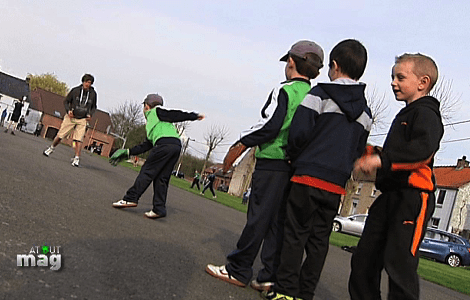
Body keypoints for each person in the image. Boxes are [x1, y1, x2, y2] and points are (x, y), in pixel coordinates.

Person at [205, 40, 324, 292]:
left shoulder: (286, 90)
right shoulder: (315, 96)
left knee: (258, 217)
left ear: (291, 61)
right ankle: (268, 275)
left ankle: (238, 269)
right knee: (277, 223)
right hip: (295, 167)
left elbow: (270, 125)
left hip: (272, 163)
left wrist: (241, 143)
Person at [263, 39, 371, 300]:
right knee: (318, 241)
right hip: (335, 185)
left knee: (294, 235)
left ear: (334, 66)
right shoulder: (366, 113)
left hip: (308, 176)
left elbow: (299, 133)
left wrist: (295, 157)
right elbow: (358, 150)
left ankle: (285, 291)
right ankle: (304, 293)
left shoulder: (319, 94)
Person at [348, 53, 444, 300]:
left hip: (412, 198)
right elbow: (396, 156)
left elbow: (422, 150)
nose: (393, 82)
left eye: (400, 77)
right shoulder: (404, 115)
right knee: (364, 260)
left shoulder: (426, 114)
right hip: (389, 197)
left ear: (423, 82)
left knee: (399, 264)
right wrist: (374, 153)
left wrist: (383, 160)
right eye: (393, 77)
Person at [110, 94, 204, 219]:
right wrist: (127, 152)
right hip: (175, 146)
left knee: (147, 172)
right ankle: (159, 209)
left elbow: (175, 114)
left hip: (164, 145)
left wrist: (193, 116)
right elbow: (145, 145)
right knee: (162, 178)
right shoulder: (153, 124)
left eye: (144, 107)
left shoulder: (156, 111)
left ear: (146, 106)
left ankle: (131, 198)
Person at [43, 74, 97, 167]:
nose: (88, 85)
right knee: (60, 136)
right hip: (71, 117)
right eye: (87, 82)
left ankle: (76, 158)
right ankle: (51, 148)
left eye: (90, 83)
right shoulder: (75, 91)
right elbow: (66, 101)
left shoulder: (93, 94)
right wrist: (68, 111)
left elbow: (94, 106)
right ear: (83, 82)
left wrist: (90, 114)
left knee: (78, 139)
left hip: (82, 119)